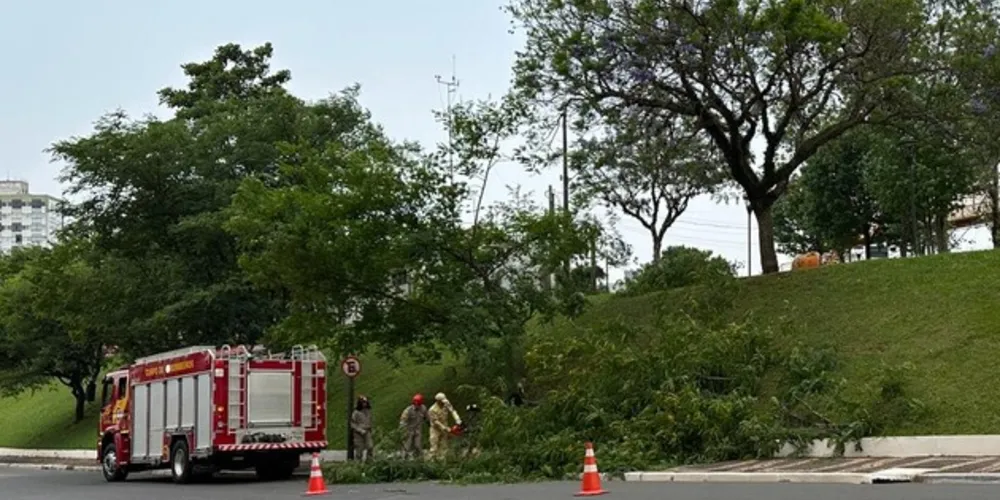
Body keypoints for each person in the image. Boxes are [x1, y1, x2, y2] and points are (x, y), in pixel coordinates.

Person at [428, 392, 461, 459]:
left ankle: (442, 461)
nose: (443, 403)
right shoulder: (432, 410)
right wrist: (445, 428)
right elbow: (436, 422)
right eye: (441, 401)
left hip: (445, 425)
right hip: (435, 429)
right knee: (434, 446)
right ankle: (432, 461)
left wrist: (458, 420)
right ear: (438, 401)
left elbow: (452, 411)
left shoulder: (446, 404)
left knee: (444, 445)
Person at [399, 393, 428, 459]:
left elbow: (427, 417)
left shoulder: (423, 408)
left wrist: (429, 423)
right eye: (416, 404)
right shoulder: (408, 411)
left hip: (418, 430)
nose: (417, 406)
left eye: (418, 404)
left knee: (418, 446)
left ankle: (419, 459)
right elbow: (403, 422)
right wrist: (403, 431)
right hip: (409, 430)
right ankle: (403, 459)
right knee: (407, 446)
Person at [350, 395, 374, 461]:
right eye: (363, 402)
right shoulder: (356, 412)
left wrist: (371, 428)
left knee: (370, 446)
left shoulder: (368, 411)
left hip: (367, 431)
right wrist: (360, 430)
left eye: (365, 402)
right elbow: (352, 424)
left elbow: (370, 420)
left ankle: (369, 461)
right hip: (358, 433)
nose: (364, 404)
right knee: (359, 449)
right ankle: (358, 463)